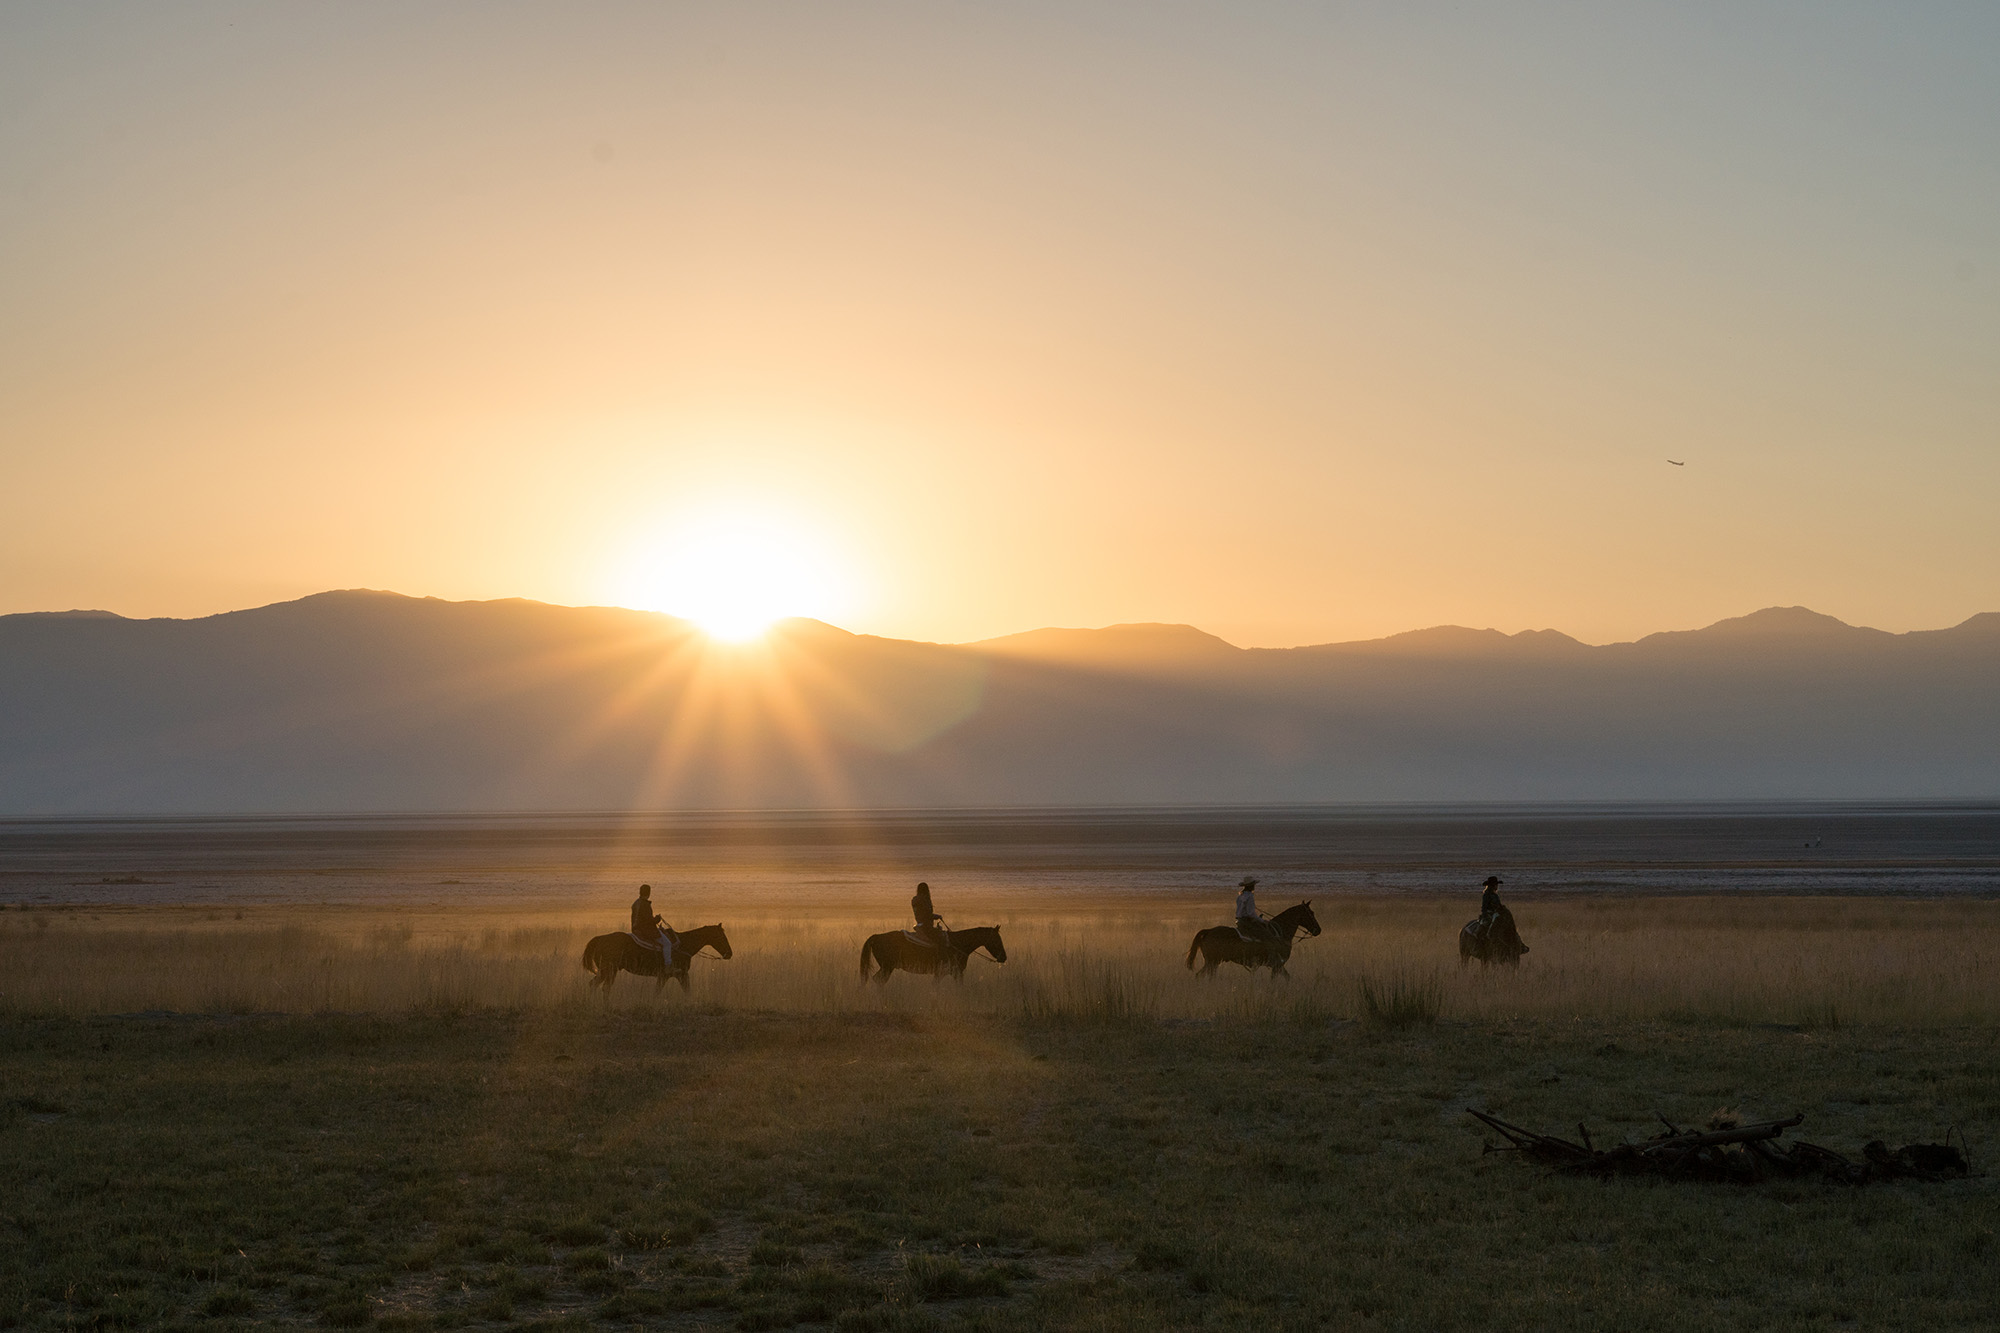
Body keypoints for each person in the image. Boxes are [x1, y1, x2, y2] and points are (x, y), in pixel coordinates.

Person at [630, 883, 677, 968]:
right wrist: (657, 919)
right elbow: (648, 920)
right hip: (646, 930)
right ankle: (668, 965)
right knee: (667, 944)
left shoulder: (636, 903)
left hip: (636, 929)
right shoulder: (644, 904)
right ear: (649, 893)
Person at [1479, 875, 1527, 957]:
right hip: (1490, 914)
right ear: (1492, 885)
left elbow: (1498, 905)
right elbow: (1484, 908)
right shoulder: (1487, 894)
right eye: (1495, 885)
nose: (1497, 886)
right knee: (1493, 922)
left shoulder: (1495, 895)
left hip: (1496, 913)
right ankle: (1489, 935)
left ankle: (1518, 943)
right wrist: (1487, 914)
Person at [1235, 876, 1277, 945]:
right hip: (1248, 922)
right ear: (1251, 886)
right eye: (1253, 885)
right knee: (1267, 935)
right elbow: (1251, 914)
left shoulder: (1240, 897)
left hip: (1240, 921)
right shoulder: (1250, 896)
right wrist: (1262, 921)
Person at [910, 881, 946, 950]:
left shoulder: (915, 900)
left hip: (919, 924)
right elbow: (927, 914)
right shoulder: (924, 900)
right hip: (926, 925)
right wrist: (937, 916)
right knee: (941, 939)